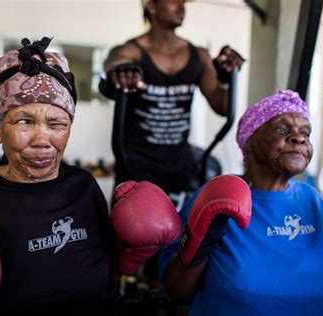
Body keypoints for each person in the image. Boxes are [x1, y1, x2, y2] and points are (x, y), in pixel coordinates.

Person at [0, 36, 183, 316]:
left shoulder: (84, 185)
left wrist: (132, 252)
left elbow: (107, 271)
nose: (42, 139)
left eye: (57, 124)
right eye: (24, 121)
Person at [159, 90, 323, 315]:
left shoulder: (312, 198)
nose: (299, 138)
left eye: (305, 133)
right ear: (249, 142)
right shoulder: (216, 195)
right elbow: (177, 290)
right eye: (282, 129)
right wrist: (202, 240)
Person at [104, 0, 244, 289]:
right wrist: (122, 71)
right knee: (125, 245)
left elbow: (220, 103)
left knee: (169, 243)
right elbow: (115, 61)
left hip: (177, 163)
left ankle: (158, 292)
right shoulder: (132, 51)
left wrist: (228, 76)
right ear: (151, 6)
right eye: (174, 0)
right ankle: (116, 290)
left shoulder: (198, 55)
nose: (181, 5)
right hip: (136, 165)